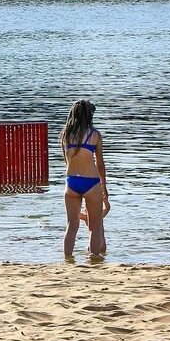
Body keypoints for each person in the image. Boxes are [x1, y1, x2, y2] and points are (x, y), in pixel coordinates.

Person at [61, 99, 109, 258]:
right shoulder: (95, 135)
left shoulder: (66, 134)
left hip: (72, 182)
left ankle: (67, 260)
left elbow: (67, 161)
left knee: (71, 225)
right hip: (91, 182)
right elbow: (100, 164)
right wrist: (104, 186)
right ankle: (94, 260)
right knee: (94, 227)